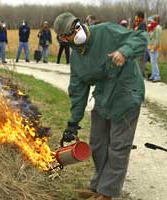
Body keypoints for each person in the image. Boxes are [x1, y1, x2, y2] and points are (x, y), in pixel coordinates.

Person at [54, 12, 147, 200]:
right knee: (98, 144)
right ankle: (97, 186)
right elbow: (78, 92)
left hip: (126, 95)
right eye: (72, 31)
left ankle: (108, 192)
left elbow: (140, 38)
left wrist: (124, 51)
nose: (78, 31)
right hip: (104, 99)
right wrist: (73, 123)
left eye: (78, 26)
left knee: (118, 147)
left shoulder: (106, 31)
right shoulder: (76, 59)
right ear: (64, 38)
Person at [148, 15, 162, 82]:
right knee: (152, 62)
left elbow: (158, 39)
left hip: (154, 47)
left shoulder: (158, 28)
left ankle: (157, 76)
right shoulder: (153, 27)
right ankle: (153, 75)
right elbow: (151, 37)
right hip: (150, 46)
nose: (151, 21)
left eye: (152, 19)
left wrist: (154, 48)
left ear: (156, 20)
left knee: (154, 62)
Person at [134, 11, 147, 78]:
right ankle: (141, 74)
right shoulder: (138, 24)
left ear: (139, 17)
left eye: (136, 15)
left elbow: (142, 34)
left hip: (141, 45)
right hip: (137, 45)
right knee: (139, 60)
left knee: (140, 60)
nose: (135, 17)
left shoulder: (142, 24)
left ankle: (141, 75)